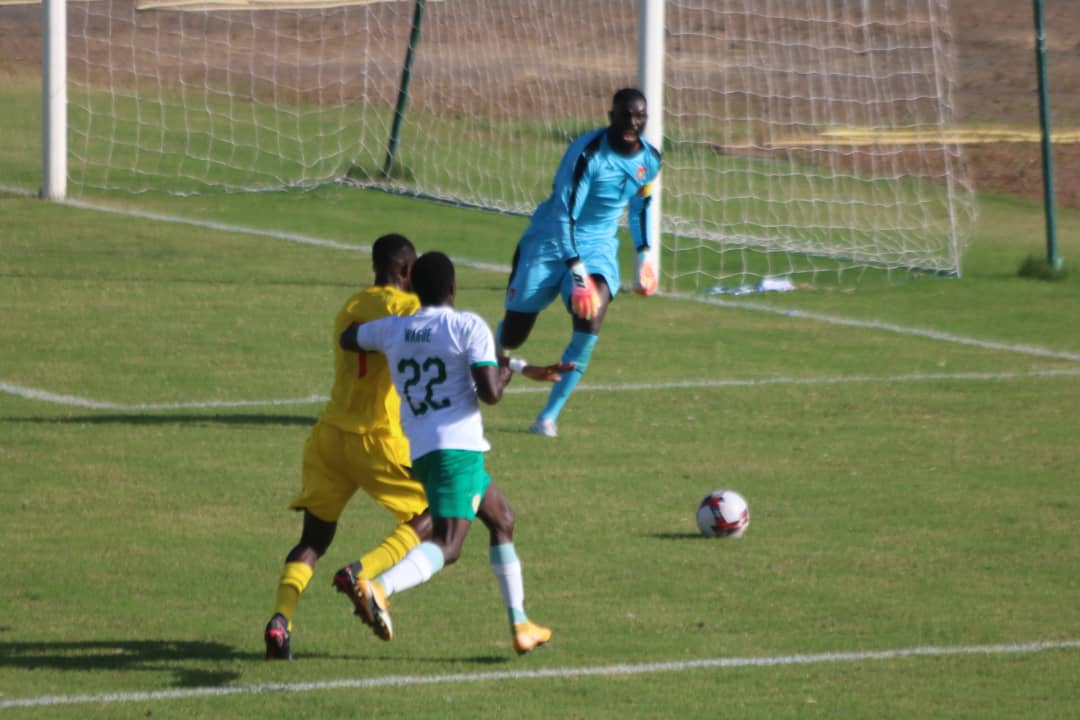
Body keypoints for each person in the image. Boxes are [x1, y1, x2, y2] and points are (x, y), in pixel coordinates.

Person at [339, 251, 570, 655]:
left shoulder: (394, 330)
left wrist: (518, 365)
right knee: (449, 545)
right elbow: (491, 394)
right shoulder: (468, 326)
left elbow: (350, 337)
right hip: (456, 451)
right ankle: (379, 586)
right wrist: (505, 374)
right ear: (453, 287)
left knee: (503, 519)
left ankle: (521, 624)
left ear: (412, 285)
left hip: (425, 451)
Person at [264, 233, 434, 661]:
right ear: (406, 270)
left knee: (313, 540)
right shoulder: (408, 309)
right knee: (437, 512)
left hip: (328, 439)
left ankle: (281, 621)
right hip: (375, 441)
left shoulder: (350, 308)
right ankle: (362, 574)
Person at [496, 87, 663, 438]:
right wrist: (576, 272)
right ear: (611, 116)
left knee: (591, 317)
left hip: (598, 245)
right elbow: (563, 214)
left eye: (639, 116)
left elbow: (640, 207)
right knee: (515, 332)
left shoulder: (651, 159)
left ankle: (547, 417)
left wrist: (644, 255)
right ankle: (487, 368)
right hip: (551, 238)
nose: (633, 123)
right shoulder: (588, 155)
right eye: (625, 116)